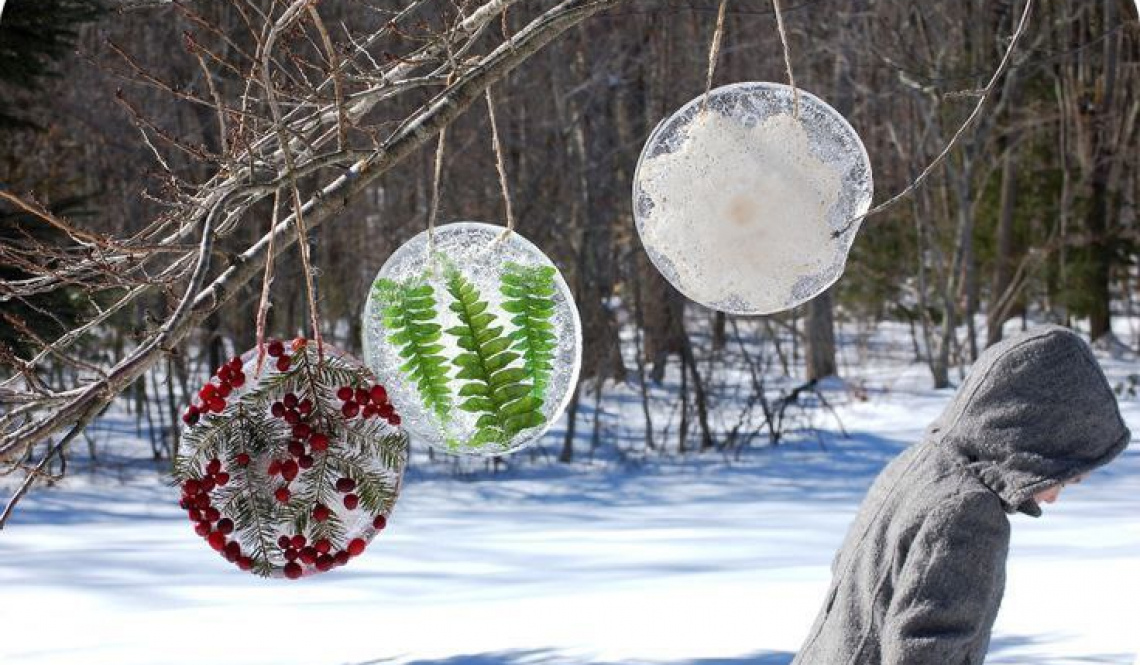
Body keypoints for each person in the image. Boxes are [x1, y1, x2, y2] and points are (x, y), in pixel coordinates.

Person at [792, 325, 1131, 664]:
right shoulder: (967, 511)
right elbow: (927, 651)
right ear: (1038, 441)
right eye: (1065, 479)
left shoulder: (917, 464)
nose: (1054, 498)